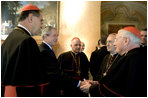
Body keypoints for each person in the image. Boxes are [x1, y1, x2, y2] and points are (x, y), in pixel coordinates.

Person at [80, 26, 147, 97]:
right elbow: (117, 82)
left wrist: (91, 88)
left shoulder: (131, 58)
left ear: (126, 41)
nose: (115, 44)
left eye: (116, 40)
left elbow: (118, 90)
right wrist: (97, 83)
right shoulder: (136, 55)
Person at [1, 4, 47, 97]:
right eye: (41, 21)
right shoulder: (27, 41)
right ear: (30, 18)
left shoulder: (10, 38)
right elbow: (33, 82)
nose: (42, 26)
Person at [39, 26, 85, 96]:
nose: (57, 38)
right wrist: (78, 83)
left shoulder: (46, 49)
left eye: (57, 36)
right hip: (50, 90)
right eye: (54, 35)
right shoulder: (44, 51)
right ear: (45, 36)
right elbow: (57, 73)